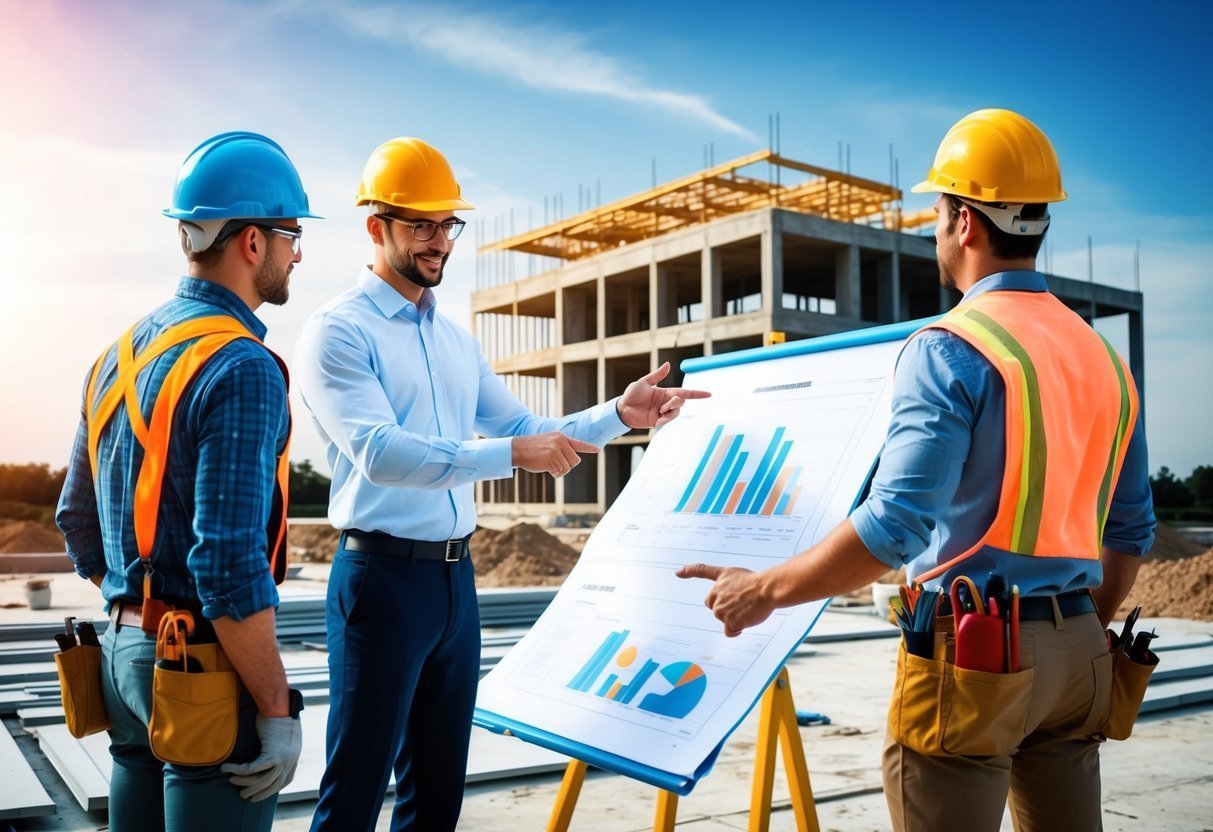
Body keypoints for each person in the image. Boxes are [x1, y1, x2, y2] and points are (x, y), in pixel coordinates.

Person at [678, 109, 1155, 831]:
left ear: (964, 221)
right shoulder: (1102, 359)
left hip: (975, 660)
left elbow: (895, 526)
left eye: (936, 210)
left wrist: (763, 590)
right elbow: (1130, 530)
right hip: (1082, 656)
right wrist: (1079, 632)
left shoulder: (952, 346)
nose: (933, 228)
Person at [296, 136, 709, 832]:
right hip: (380, 581)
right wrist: (510, 453)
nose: (439, 242)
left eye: (447, 225)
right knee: (354, 794)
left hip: (456, 585)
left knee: (436, 796)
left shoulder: (455, 342)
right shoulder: (338, 333)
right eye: (421, 225)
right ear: (377, 227)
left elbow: (528, 426)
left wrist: (618, 414)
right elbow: (380, 454)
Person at [56, 132, 318, 831]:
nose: (299, 254)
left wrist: (133, 608)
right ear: (254, 242)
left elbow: (75, 519)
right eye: (293, 235)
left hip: (120, 661)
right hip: (199, 665)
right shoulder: (242, 365)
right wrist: (275, 707)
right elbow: (228, 565)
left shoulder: (117, 355)